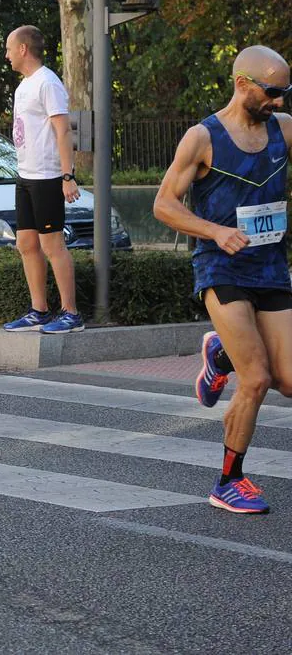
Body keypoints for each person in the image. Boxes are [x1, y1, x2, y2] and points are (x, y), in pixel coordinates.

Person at [154, 45, 292, 515]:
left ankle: (220, 351)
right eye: (272, 91)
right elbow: (164, 205)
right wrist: (215, 231)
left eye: (284, 92)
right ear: (242, 83)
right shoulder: (203, 137)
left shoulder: (285, 130)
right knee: (256, 379)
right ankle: (228, 480)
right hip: (222, 265)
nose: (278, 101)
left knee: (288, 380)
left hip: (271, 265)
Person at [1, 25, 83, 334]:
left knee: (52, 245)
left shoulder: (48, 82)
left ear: (23, 49)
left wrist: (67, 176)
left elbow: (63, 130)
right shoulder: (24, 86)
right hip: (25, 176)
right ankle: (39, 310)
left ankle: (71, 313)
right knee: (26, 243)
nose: (7, 54)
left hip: (48, 176)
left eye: (10, 48)